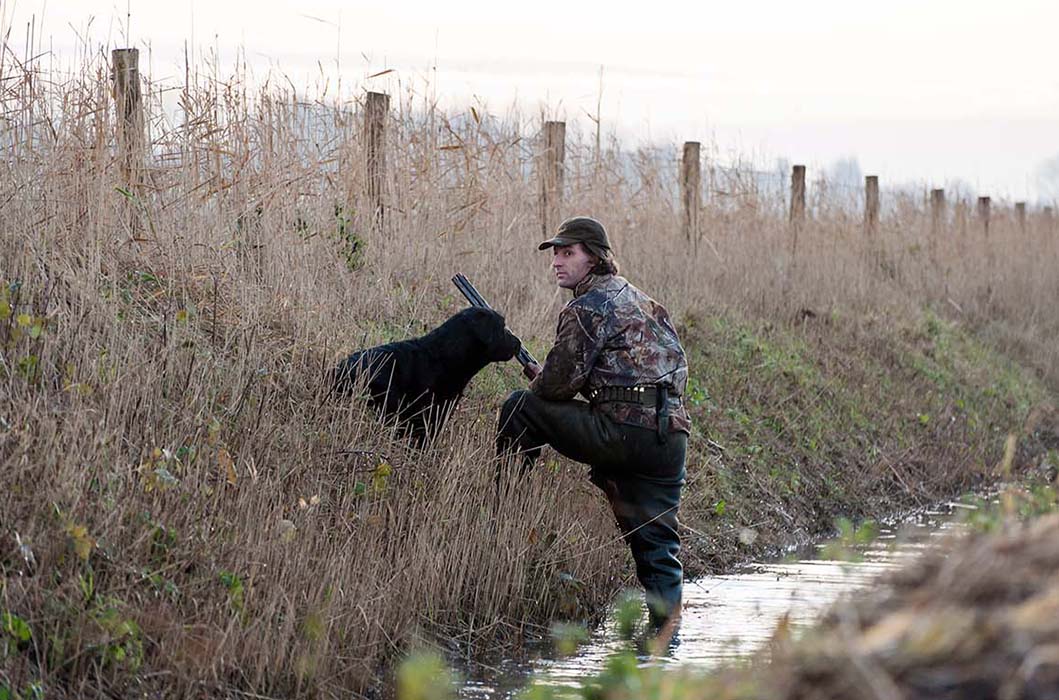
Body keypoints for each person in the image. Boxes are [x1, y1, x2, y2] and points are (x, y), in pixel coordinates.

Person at [496, 215, 692, 628]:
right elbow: (674, 371)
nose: (557, 262)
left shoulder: (585, 307)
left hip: (621, 433)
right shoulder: (647, 301)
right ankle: (665, 643)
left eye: (568, 253)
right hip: (670, 437)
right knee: (658, 549)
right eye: (555, 254)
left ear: (595, 258)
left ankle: (501, 514)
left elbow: (557, 386)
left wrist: (540, 378)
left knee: (520, 408)